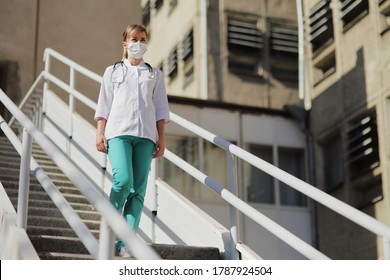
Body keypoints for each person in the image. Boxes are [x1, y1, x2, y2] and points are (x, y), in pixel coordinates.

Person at [94, 24, 170, 257]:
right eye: (134, 39)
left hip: (146, 137)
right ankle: (109, 228)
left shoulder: (154, 74)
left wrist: (162, 139)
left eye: (143, 39)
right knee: (123, 181)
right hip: (118, 133)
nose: (139, 43)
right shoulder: (113, 71)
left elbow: (160, 109)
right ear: (125, 43)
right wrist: (100, 132)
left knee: (138, 191)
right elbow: (104, 103)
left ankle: (125, 244)